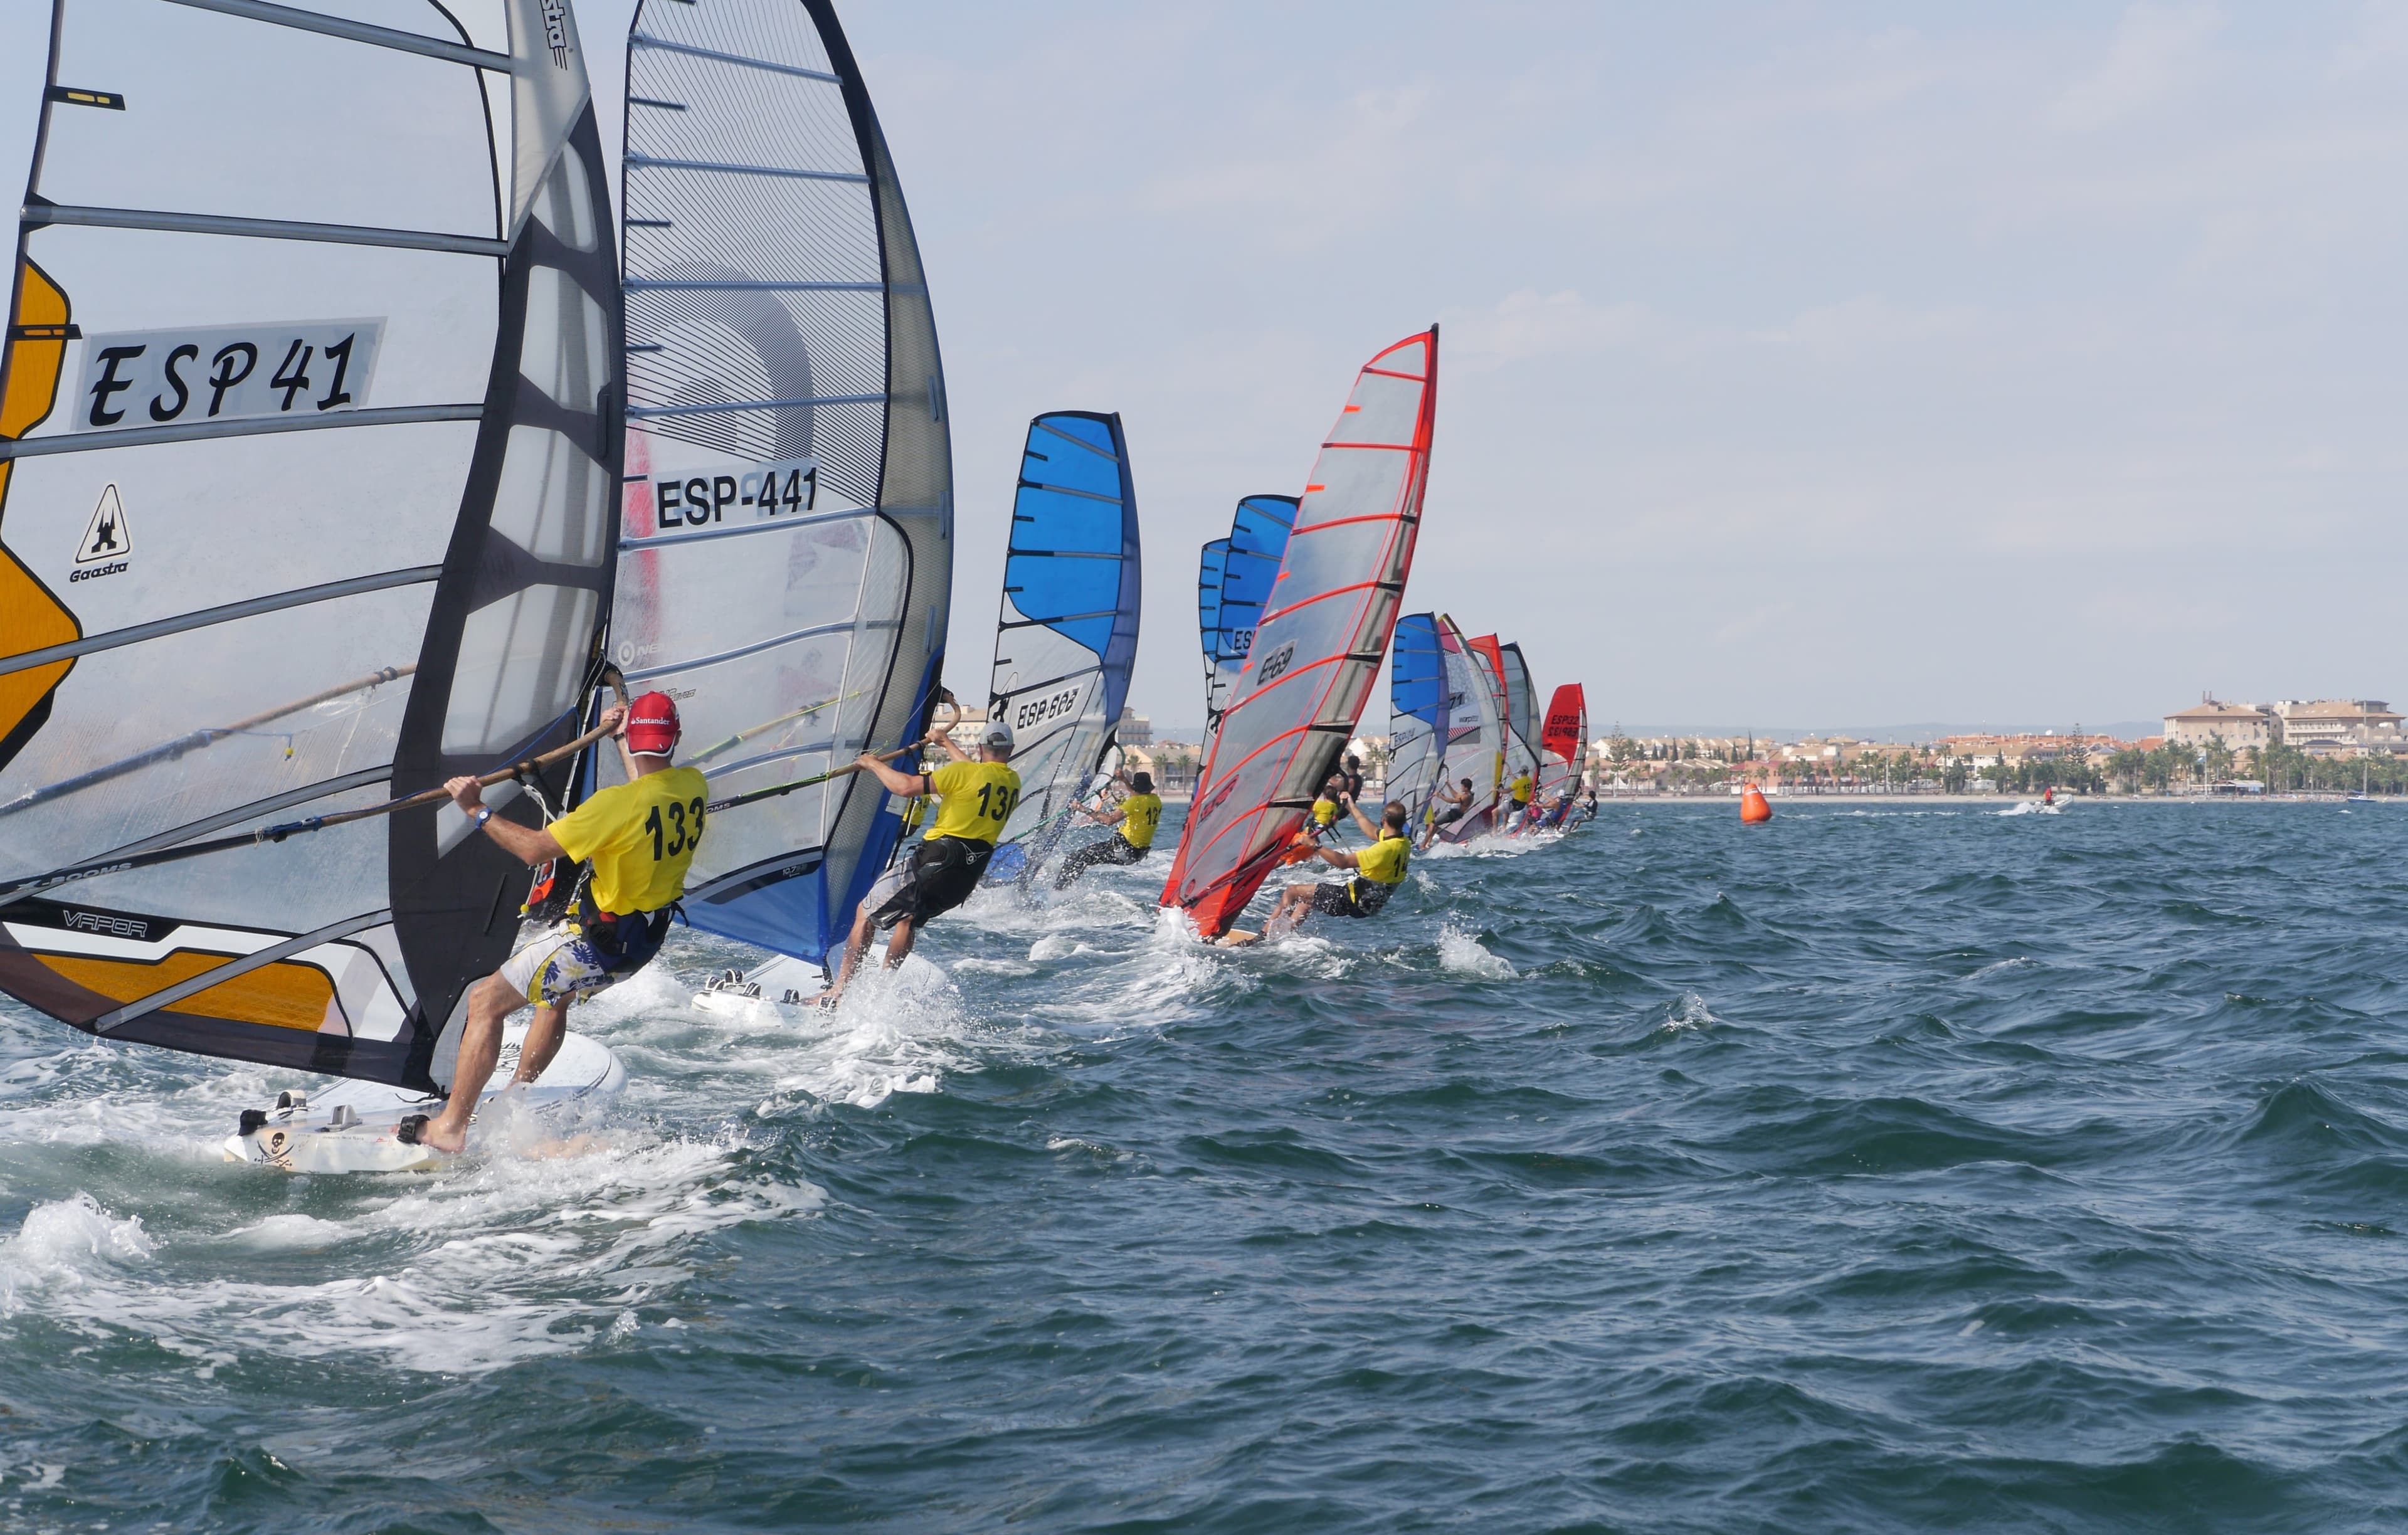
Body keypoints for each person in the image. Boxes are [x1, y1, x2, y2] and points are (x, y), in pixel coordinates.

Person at [406, 693, 705, 1152]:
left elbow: (534, 849)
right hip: (640, 944)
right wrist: (623, 739)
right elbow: (645, 789)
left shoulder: (614, 806)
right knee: (554, 997)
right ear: (676, 738)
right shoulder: (693, 785)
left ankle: (451, 1127)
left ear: (638, 739)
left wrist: (475, 809)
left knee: (485, 1002)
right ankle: (514, 1098)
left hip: (596, 943)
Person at [821, 716, 1021, 1007]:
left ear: (980, 746)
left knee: (864, 913)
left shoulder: (964, 772)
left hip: (936, 859)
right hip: (967, 874)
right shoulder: (1012, 781)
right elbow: (976, 774)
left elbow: (904, 787)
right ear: (1011, 750)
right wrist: (945, 742)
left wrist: (871, 764)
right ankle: (881, 991)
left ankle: (839, 990)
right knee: (908, 919)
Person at [1218, 796, 1413, 946]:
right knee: (1304, 901)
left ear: (1384, 819)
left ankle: (1259, 939)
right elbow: (1372, 832)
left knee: (1292, 891)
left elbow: (1344, 862)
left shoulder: (1382, 850)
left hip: (1352, 900)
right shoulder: (1402, 843)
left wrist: (1315, 846)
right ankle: (1280, 938)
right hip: (1371, 905)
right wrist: (1351, 806)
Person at [1053, 771, 1163, 889]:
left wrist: (1082, 809)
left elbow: (1109, 821)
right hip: (1136, 854)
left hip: (1124, 851)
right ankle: (1065, 887)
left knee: (1075, 858)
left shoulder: (1134, 803)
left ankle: (1058, 890)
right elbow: (1136, 794)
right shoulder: (1155, 800)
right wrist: (1124, 779)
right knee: (1081, 858)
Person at [1421, 776, 1474, 849]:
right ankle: (1428, 843)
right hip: (1454, 814)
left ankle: (1422, 845)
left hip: (1453, 814)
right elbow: (1456, 795)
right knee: (1436, 825)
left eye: (1462, 786)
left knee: (1432, 823)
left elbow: (1452, 801)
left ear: (1466, 788)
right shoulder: (1468, 794)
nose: (1461, 788)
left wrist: (1440, 796)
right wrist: (1449, 786)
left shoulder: (1467, 796)